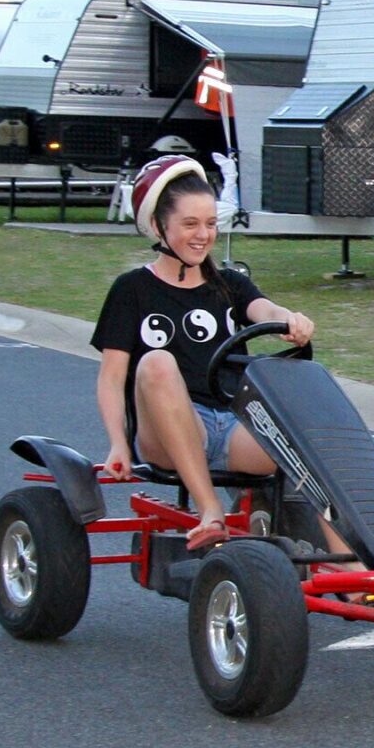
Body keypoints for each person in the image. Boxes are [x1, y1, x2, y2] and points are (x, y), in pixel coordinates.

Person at [93, 155, 315, 551]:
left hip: (232, 429)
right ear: (160, 226)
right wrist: (118, 444)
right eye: (190, 224)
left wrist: (290, 320)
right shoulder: (131, 290)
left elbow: (264, 311)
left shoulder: (229, 283)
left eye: (211, 224)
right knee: (158, 362)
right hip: (167, 432)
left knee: (303, 422)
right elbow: (111, 377)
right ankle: (209, 510)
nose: (203, 235)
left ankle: (355, 568)